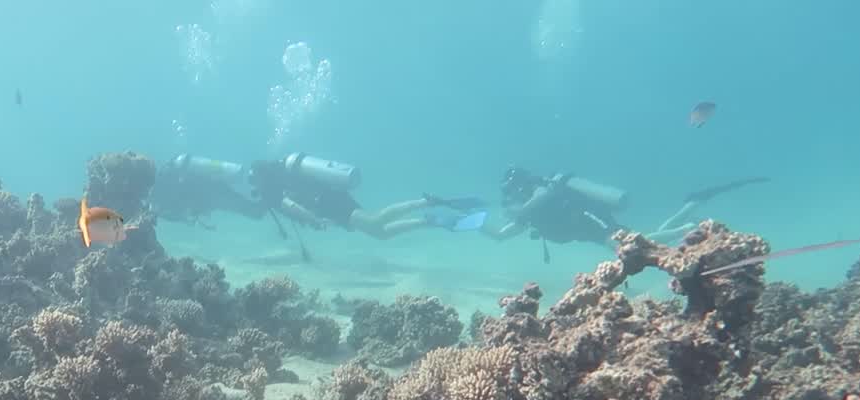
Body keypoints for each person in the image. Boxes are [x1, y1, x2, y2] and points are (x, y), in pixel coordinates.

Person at [482, 166, 769, 255]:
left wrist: (516, 211)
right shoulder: (529, 209)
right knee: (640, 240)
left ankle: (689, 228)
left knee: (635, 246)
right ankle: (690, 208)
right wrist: (469, 223)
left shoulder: (540, 191)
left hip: (589, 219)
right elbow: (502, 235)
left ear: (520, 184)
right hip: (587, 230)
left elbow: (530, 207)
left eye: (512, 190)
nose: (510, 197)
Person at [247, 153, 486, 240]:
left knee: (374, 221)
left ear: (260, 176)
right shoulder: (281, 175)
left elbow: (292, 206)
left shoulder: (273, 189)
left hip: (329, 203)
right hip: (329, 199)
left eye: (253, 179)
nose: (253, 184)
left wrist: (315, 221)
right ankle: (427, 219)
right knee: (379, 233)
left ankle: (425, 203)